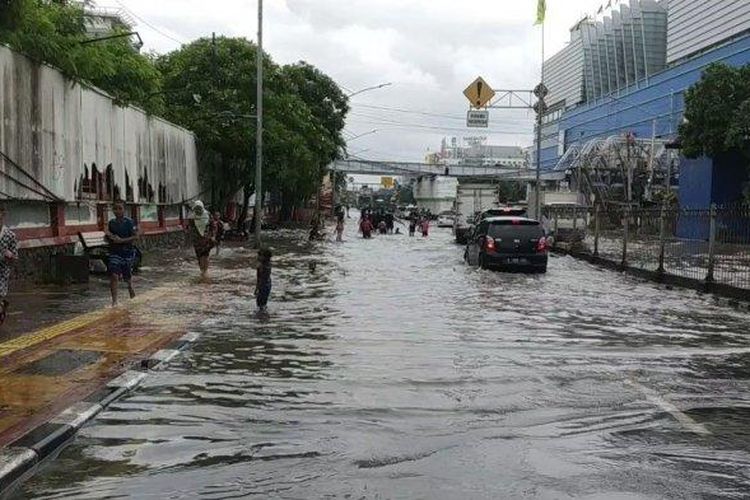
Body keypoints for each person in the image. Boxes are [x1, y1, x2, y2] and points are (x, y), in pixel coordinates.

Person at [106, 201, 139, 307]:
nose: (118, 211)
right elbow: (108, 236)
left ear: (124, 210)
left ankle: (129, 287)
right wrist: (109, 237)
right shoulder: (111, 223)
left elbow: (136, 236)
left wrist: (122, 240)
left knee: (127, 277)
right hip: (115, 252)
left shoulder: (129, 222)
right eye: (115, 209)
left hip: (127, 252)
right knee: (114, 275)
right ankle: (114, 301)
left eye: (120, 208)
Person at [189, 200, 216, 280]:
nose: (198, 210)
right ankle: (202, 270)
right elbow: (191, 228)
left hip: (206, 239)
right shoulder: (192, 217)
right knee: (199, 256)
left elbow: (213, 226)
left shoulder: (207, 215)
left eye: (199, 208)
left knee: (205, 255)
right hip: (197, 240)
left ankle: (206, 271)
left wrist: (213, 236)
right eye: (196, 208)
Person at [0, 206, 18, 324]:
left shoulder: (10, 235)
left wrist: (10, 255)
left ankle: (1, 308)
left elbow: (16, 257)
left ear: (3, 215)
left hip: (2, 273)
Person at [255, 247, 272, 312]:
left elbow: (259, 278)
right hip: (268, 284)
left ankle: (261, 315)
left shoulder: (261, 266)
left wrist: (257, 288)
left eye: (259, 255)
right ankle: (263, 314)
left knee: (260, 303)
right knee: (263, 302)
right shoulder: (268, 264)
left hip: (263, 285)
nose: (258, 257)